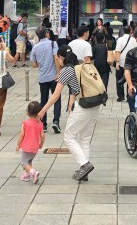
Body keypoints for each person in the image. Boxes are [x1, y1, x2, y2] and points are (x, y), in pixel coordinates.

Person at [39, 46, 100, 182]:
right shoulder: (79, 65)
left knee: (69, 136)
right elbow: (75, 88)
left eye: (58, 59)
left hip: (83, 105)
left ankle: (84, 164)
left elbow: (56, 95)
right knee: (84, 138)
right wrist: (70, 106)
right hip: (95, 104)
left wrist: (43, 111)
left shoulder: (66, 69)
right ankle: (84, 172)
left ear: (61, 58)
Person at [30, 27, 61, 134]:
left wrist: (41, 62)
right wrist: (58, 73)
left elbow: (33, 65)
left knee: (44, 100)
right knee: (56, 98)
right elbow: (56, 58)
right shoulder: (53, 44)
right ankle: (56, 121)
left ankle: (43, 124)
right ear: (47, 33)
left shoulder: (35, 47)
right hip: (53, 76)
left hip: (42, 77)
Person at [15, 101, 45, 184]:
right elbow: (42, 136)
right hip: (35, 147)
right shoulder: (40, 124)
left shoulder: (25, 123)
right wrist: (41, 144)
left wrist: (18, 144)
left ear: (28, 112)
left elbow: (21, 135)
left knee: (24, 163)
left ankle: (33, 173)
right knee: (29, 161)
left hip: (27, 146)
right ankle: (27, 175)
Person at [114, 24, 135, 102]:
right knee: (129, 79)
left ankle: (120, 96)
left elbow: (118, 52)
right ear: (130, 31)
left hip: (121, 62)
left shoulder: (120, 39)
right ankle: (129, 96)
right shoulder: (133, 40)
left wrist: (117, 62)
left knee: (119, 80)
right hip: (130, 63)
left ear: (123, 31)